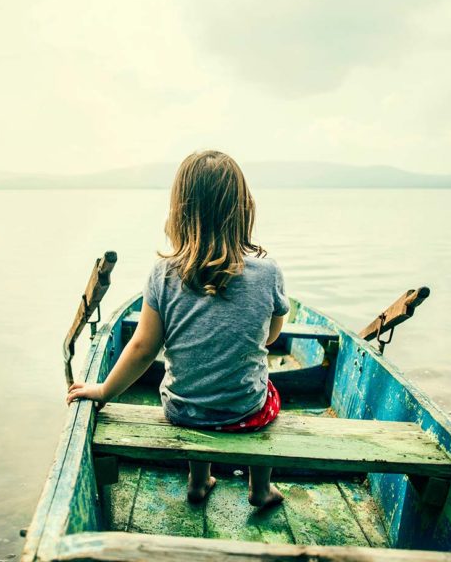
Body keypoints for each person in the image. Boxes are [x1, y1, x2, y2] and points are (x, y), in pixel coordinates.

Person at [66, 150, 290, 508]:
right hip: (245, 409)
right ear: (244, 209)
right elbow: (270, 336)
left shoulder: (163, 273)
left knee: (196, 384)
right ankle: (260, 488)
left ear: (181, 211)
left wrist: (105, 391)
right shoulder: (268, 273)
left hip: (182, 409)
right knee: (268, 391)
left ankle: (198, 482)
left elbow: (142, 348)